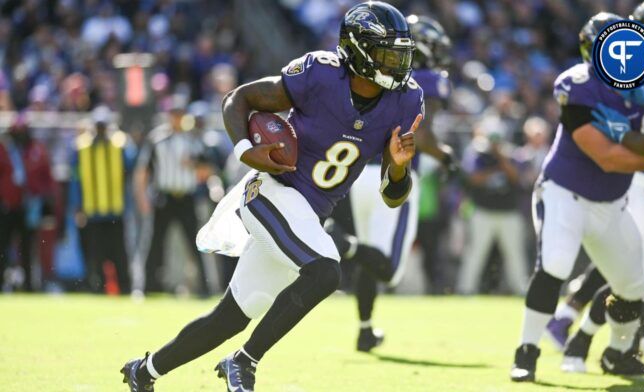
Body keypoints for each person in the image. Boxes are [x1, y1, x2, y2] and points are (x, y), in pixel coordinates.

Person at [121, 2, 423, 391]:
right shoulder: (320, 74)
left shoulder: (406, 100)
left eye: (400, 54)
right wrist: (244, 148)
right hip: (270, 190)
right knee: (326, 270)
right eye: (386, 53)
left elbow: (394, 196)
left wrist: (397, 166)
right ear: (358, 51)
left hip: (306, 216)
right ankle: (243, 362)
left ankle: (143, 371)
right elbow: (239, 98)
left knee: (229, 317)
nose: (397, 64)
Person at [510, 12, 644, 382]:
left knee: (633, 285)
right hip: (565, 193)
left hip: (613, 204)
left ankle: (618, 355)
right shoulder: (578, 84)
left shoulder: (640, 85)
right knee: (555, 264)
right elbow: (608, 157)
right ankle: (526, 352)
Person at [327, 13, 457, 352]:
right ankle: (342, 245)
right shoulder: (426, 79)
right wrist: (444, 155)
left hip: (359, 173)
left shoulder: (374, 69)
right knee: (390, 269)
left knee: (373, 257)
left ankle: (366, 328)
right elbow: (419, 133)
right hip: (391, 175)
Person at [134, 96, 213, 297]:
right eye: (174, 114)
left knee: (196, 243)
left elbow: (208, 171)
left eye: (180, 115)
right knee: (155, 243)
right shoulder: (157, 139)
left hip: (186, 197)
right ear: (169, 116)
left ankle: (204, 287)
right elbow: (143, 171)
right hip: (164, 196)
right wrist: (142, 198)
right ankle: (149, 286)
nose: (177, 119)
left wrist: (194, 164)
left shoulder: (194, 139)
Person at [459, 121, 527, 295]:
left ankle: (521, 289)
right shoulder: (478, 155)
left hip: (509, 212)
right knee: (475, 252)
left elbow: (516, 178)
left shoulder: (511, 155)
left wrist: (501, 158)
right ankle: (465, 289)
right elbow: (474, 179)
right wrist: (494, 166)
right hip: (483, 212)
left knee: (515, 254)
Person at [73, 106, 136, 294]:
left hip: (115, 209)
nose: (100, 131)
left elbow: (132, 165)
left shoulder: (121, 144)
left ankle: (125, 288)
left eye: (103, 127)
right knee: (96, 255)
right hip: (92, 211)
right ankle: (98, 289)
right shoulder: (81, 146)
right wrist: (77, 206)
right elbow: (76, 180)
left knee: (120, 254)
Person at [0, 114, 56, 292]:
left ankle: (29, 285)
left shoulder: (36, 150)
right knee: (3, 246)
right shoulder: (4, 149)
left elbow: (46, 178)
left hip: (28, 206)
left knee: (28, 248)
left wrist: (45, 198)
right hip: (6, 206)